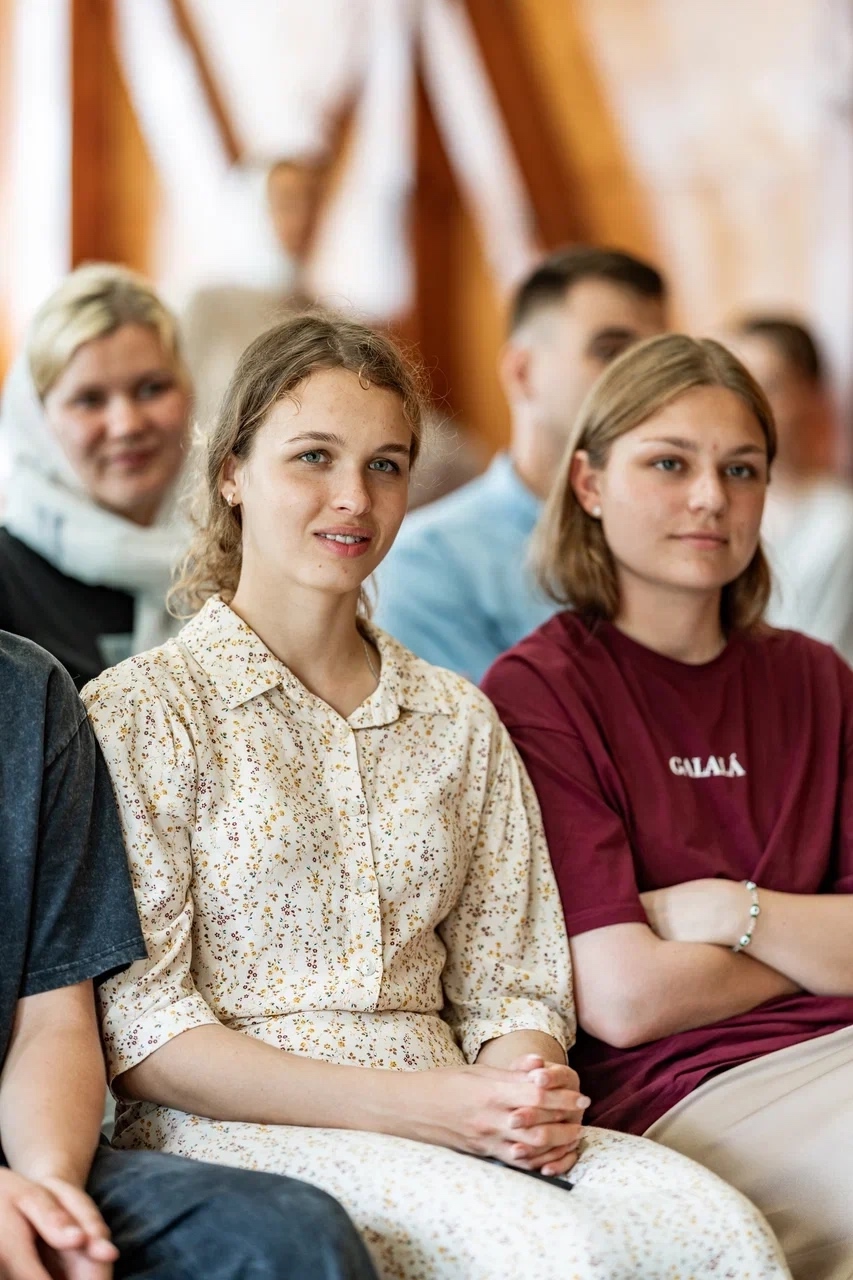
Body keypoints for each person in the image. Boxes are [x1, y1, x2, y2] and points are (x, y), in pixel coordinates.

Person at [83, 313, 788, 1280]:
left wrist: (521, 1092)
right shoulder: (143, 711)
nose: (353, 497)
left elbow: (514, 984)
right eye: (313, 457)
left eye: (384, 465)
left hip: (457, 1103)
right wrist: (431, 1108)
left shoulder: (457, 717)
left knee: (716, 1230)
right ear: (232, 473)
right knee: (556, 1253)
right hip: (234, 1130)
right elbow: (144, 1032)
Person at [482, 333, 853, 1280]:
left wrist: (732, 911)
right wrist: (814, 947)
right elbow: (624, 999)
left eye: (740, 469)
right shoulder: (538, 692)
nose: (709, 498)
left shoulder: (817, 679)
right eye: (668, 464)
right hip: (689, 1087)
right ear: (588, 482)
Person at [0, 625, 382, 1280]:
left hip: (21, 1143)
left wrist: (53, 1199)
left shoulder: (27, 689)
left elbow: (51, 1022)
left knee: (288, 1238)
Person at [373, 245, 667, 681]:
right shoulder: (425, 562)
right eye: (610, 352)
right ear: (522, 372)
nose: (645, 383)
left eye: (657, 361)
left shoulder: (681, 535)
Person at [0, 263, 192, 687]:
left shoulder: (244, 556)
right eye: (89, 399)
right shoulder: (8, 581)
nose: (127, 425)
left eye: (152, 388)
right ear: (37, 421)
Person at [728, 314, 853, 662]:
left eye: (769, 386)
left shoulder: (838, 522)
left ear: (810, 395)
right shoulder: (713, 506)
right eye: (737, 387)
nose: (746, 407)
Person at [182, 156, 326, 428]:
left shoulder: (321, 312)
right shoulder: (209, 306)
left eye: (311, 202)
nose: (302, 218)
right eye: (286, 202)